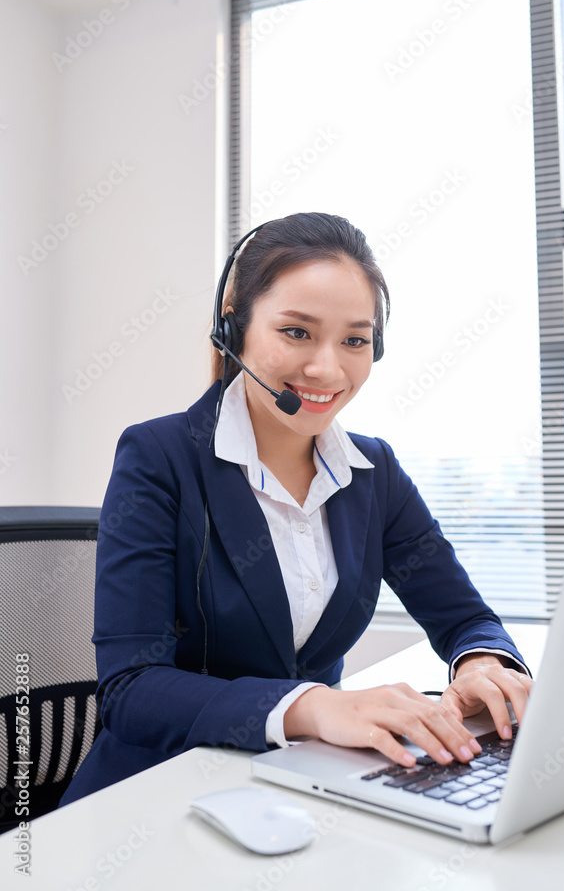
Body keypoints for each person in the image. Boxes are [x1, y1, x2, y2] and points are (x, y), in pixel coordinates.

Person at [60, 211, 532, 806]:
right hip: (159, 791)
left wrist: (483, 663)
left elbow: (464, 618)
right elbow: (131, 688)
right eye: (297, 332)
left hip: (304, 789)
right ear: (234, 331)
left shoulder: (373, 473)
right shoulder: (159, 458)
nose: (327, 369)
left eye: (355, 340)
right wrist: (317, 707)